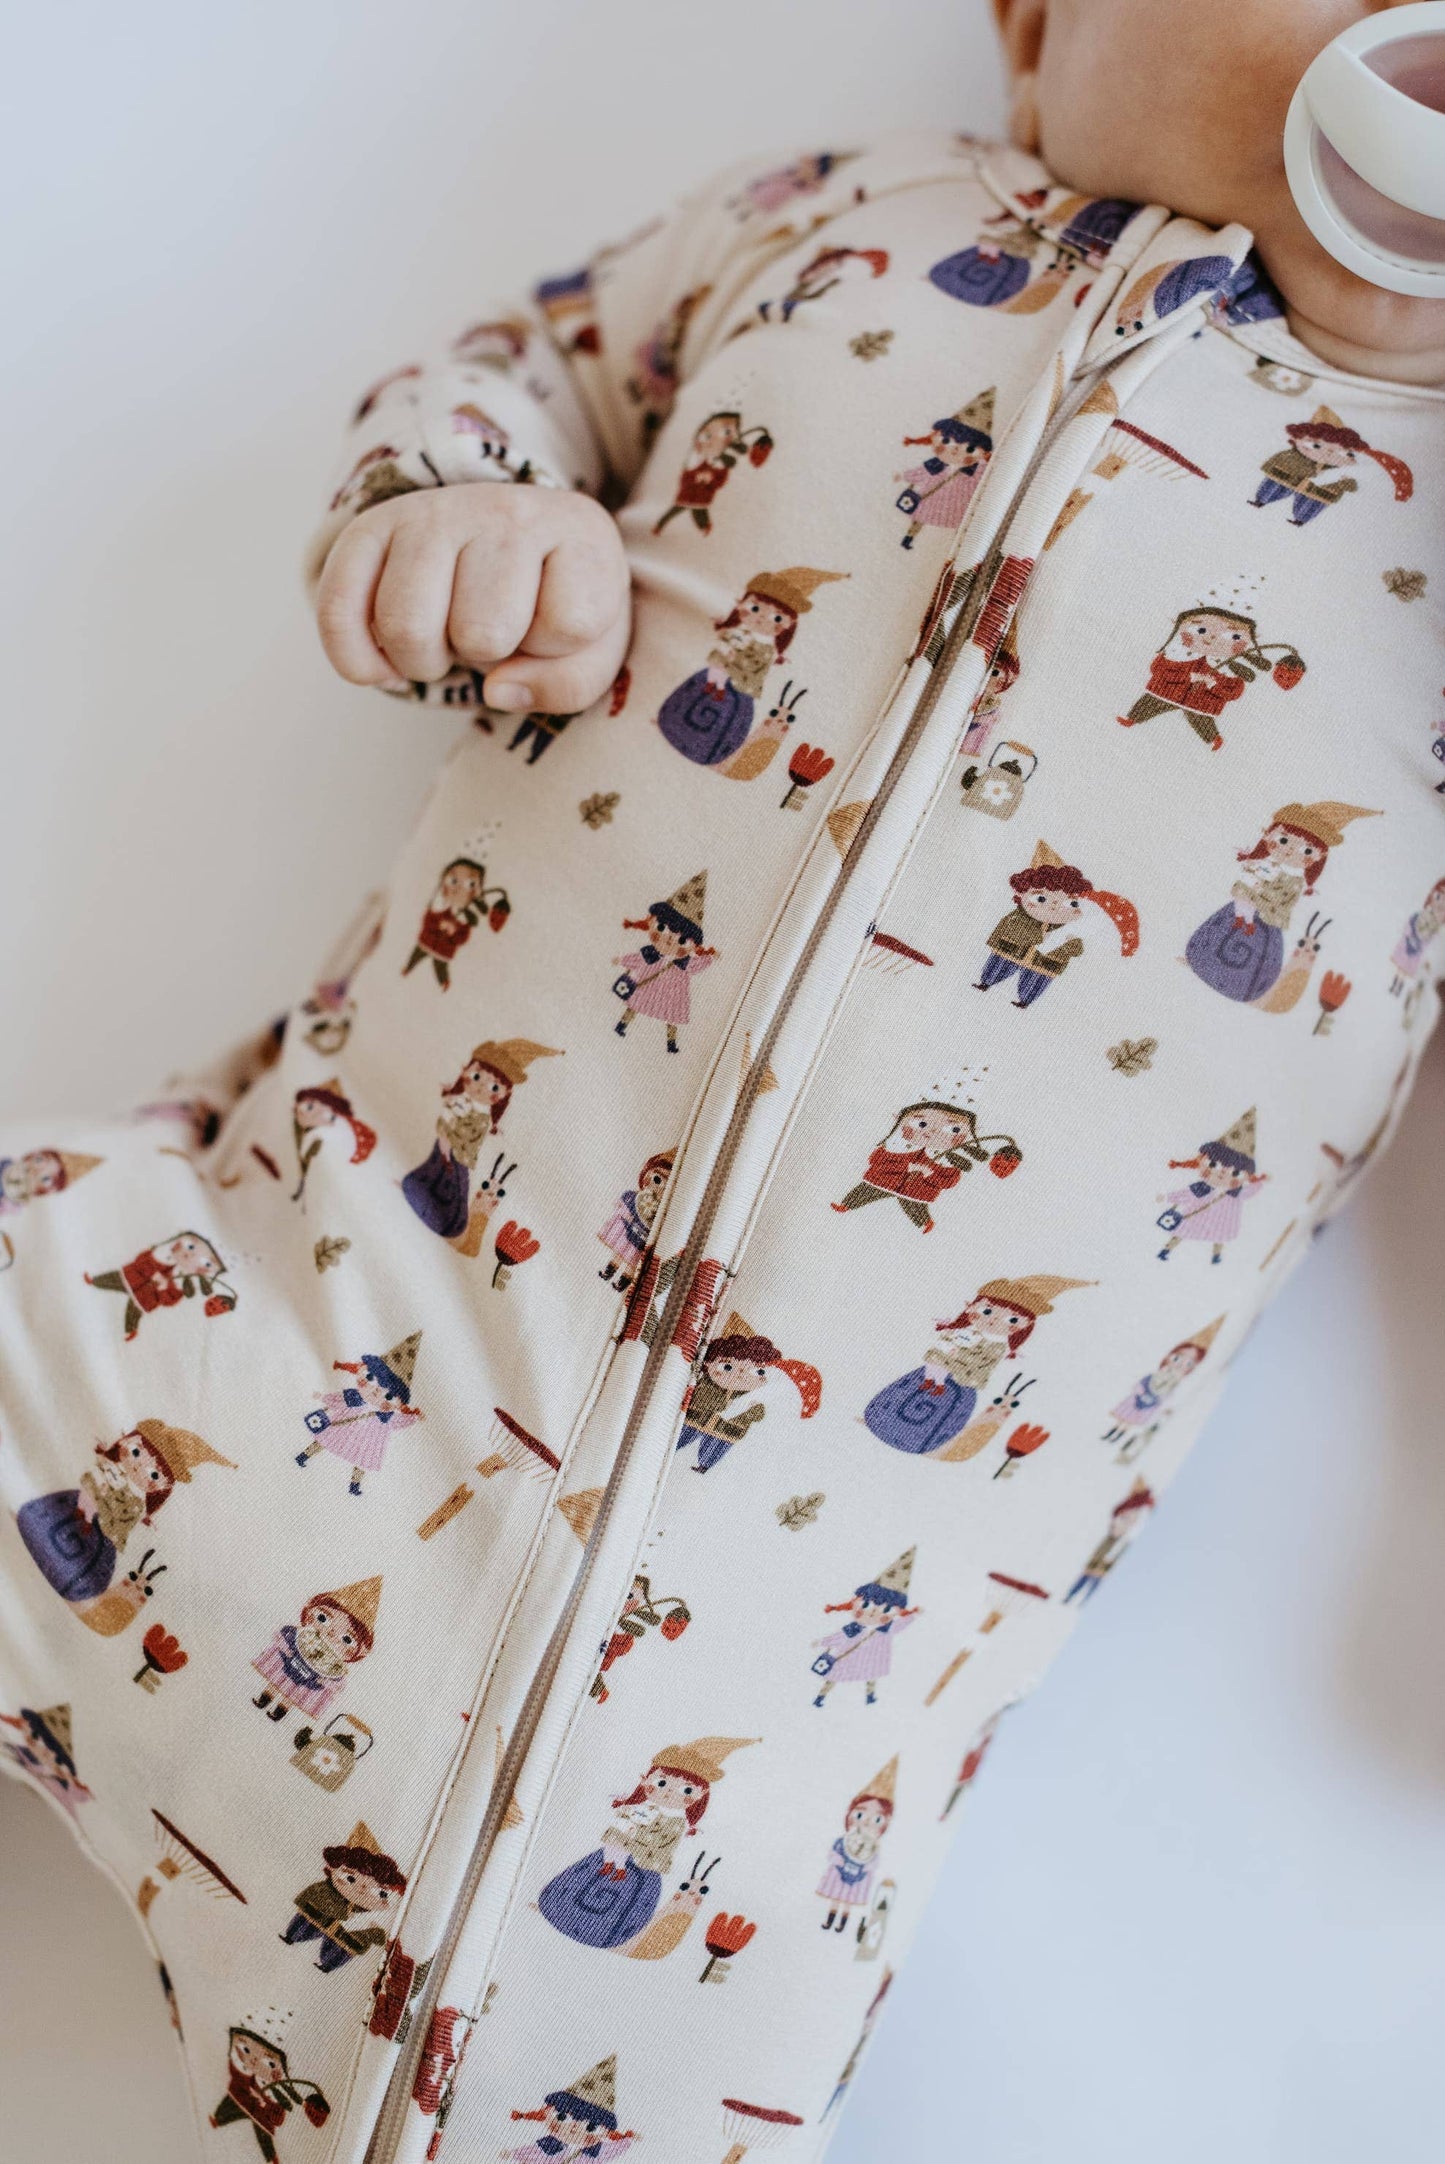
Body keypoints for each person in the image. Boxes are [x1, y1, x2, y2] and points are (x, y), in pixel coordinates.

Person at [2, 5, 1442, 2159]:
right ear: (1039, 36)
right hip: (259, 1325)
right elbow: (529, 367)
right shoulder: (842, 222)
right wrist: (460, 508)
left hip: (738, 1754)